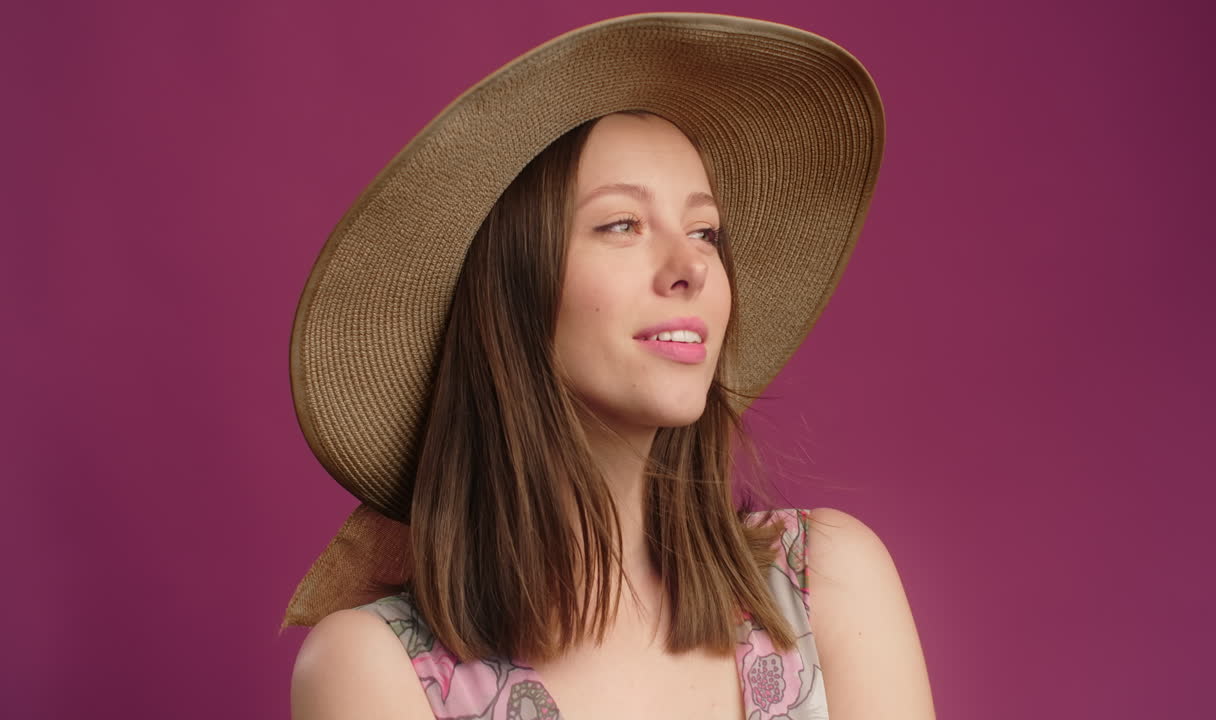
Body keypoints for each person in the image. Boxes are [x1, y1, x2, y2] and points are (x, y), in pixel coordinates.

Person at [285, 12, 934, 720]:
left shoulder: (825, 583)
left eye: (705, 231)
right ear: (513, 291)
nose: (691, 265)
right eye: (621, 224)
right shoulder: (374, 669)